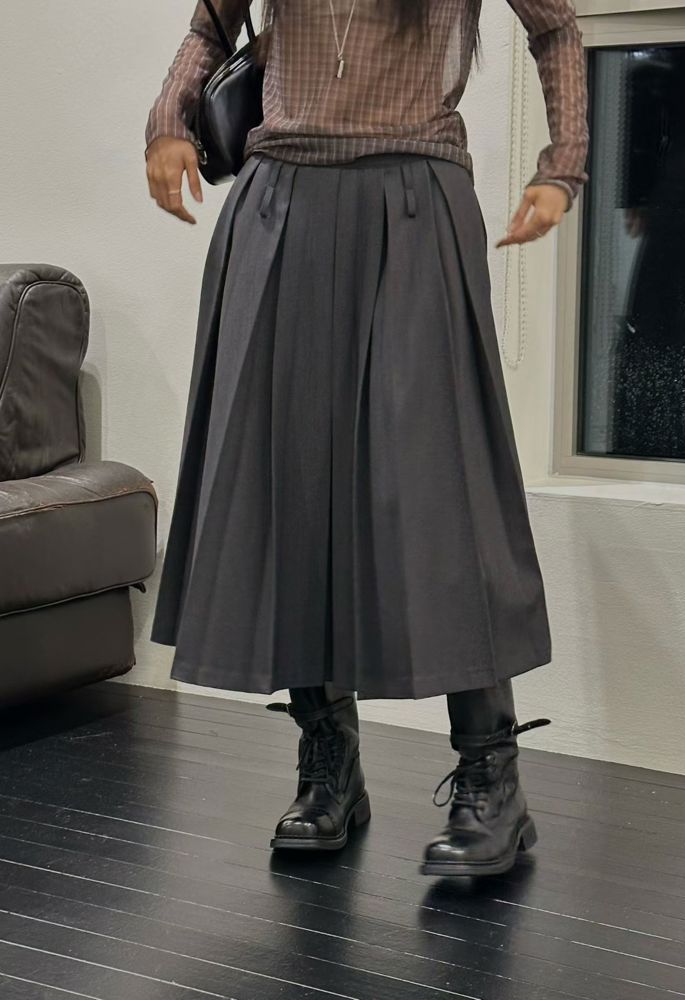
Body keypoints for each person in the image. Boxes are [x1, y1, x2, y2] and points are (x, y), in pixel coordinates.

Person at [144, 0, 589, 877]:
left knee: (442, 491)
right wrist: (168, 120)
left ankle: (491, 777)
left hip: (415, 199)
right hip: (278, 203)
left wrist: (562, 165)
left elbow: (556, 26)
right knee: (290, 484)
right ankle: (329, 763)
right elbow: (210, 28)